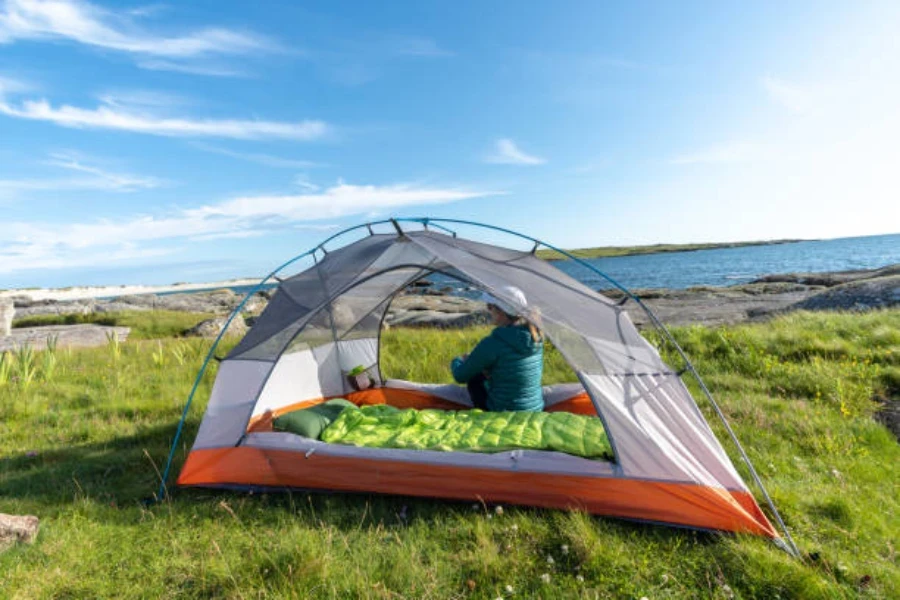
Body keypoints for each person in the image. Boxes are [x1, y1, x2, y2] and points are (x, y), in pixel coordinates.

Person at [450, 286, 544, 412]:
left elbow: (460, 376)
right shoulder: (536, 336)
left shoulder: (493, 343)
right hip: (536, 408)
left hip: (502, 410)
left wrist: (458, 360)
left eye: (490, 306)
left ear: (501, 312)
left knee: (474, 378)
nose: (488, 310)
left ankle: (485, 414)